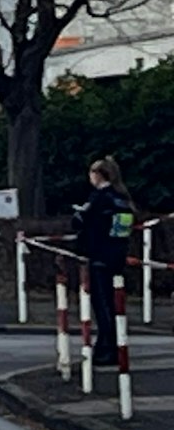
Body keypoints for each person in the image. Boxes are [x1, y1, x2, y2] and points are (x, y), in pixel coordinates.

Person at [73, 156, 137, 367]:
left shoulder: (99, 199)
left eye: (92, 172)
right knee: (114, 303)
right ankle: (115, 346)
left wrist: (80, 217)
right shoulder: (122, 198)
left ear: (99, 175)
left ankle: (106, 349)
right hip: (116, 255)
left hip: (99, 256)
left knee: (102, 305)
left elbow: (85, 225)